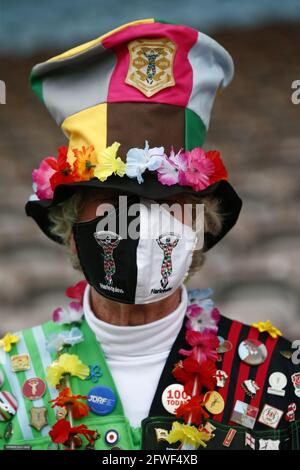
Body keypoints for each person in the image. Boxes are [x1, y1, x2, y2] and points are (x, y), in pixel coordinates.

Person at [0, 18, 299, 451]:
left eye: (169, 199)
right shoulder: (9, 379)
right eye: (112, 199)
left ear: (200, 225)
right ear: (70, 226)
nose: (142, 223)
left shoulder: (278, 376)